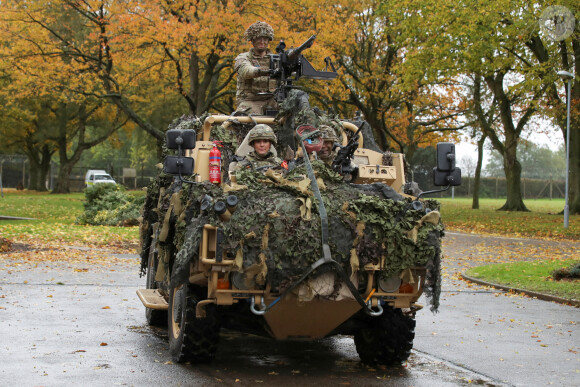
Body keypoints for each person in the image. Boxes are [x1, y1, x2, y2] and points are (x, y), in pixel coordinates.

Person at [234, 21, 278, 115]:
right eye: (259, 38)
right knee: (247, 121)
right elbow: (246, 70)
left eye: (265, 39)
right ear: (252, 40)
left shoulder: (276, 60)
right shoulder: (243, 58)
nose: (262, 42)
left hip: (272, 100)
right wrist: (260, 71)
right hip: (250, 101)